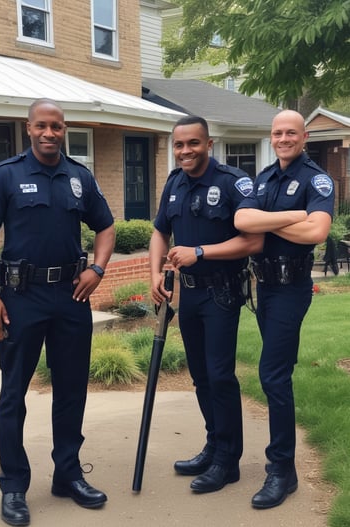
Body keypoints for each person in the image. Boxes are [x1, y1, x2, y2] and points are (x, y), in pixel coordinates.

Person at [0, 98, 115, 526]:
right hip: (18, 298)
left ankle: (68, 474)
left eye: (57, 126)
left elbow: (105, 226)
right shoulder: (6, 175)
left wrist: (97, 268)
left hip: (71, 297)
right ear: (29, 127)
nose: (50, 133)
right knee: (13, 393)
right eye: (42, 126)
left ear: (64, 128)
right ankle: (14, 485)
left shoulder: (79, 176)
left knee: (72, 389)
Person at [149, 115, 264, 494]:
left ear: (208, 144)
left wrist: (201, 251)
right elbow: (159, 232)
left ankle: (228, 461)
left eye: (193, 143)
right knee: (199, 375)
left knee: (219, 375)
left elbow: (253, 242)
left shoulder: (232, 182)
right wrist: (154, 275)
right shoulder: (173, 183)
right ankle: (214, 445)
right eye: (179, 144)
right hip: (190, 294)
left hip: (221, 292)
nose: (185, 151)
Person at [234, 109, 334, 509]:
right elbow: (242, 220)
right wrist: (292, 216)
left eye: (291, 132)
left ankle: (282, 470)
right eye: (278, 132)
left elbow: (317, 230)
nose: (284, 138)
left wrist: (268, 221)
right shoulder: (263, 177)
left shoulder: (316, 179)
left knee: (272, 375)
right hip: (266, 287)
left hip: (292, 286)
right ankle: (282, 465)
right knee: (280, 370)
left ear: (304, 136)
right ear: (271, 137)